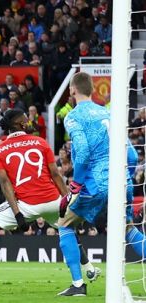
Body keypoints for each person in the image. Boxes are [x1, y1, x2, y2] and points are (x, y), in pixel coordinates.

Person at [0, 109, 99, 291]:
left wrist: (18, 214)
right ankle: (88, 270)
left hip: (27, 205)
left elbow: (5, 183)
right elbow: (56, 175)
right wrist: (69, 202)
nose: (30, 121)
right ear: (20, 125)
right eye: (26, 119)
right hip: (52, 201)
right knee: (66, 230)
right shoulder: (41, 142)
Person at [57, 72, 146, 296]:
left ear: (72, 90)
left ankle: (78, 285)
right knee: (128, 229)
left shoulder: (74, 116)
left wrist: (75, 186)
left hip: (94, 183)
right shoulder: (109, 113)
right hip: (121, 181)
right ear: (93, 89)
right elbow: (133, 156)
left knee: (65, 224)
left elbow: (84, 151)